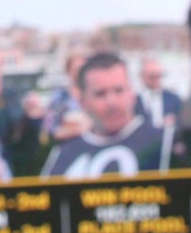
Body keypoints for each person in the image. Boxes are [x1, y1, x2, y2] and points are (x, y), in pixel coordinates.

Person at [41, 51, 173, 178]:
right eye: (100, 94)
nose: (112, 102)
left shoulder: (165, 143)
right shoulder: (64, 155)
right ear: (83, 102)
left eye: (119, 90)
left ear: (132, 93)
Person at [135, 56, 183, 128]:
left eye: (159, 76)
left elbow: (183, 122)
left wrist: (173, 122)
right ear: (142, 77)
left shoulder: (173, 99)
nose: (156, 80)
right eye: (152, 76)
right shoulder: (134, 102)